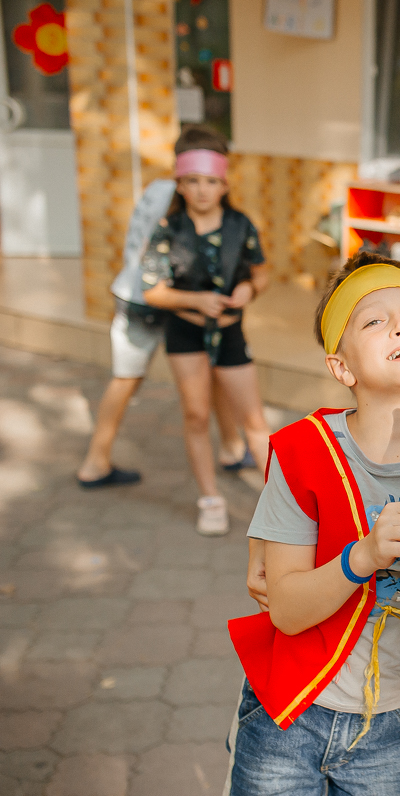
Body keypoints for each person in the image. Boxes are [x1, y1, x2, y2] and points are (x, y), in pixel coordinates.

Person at [225, 251, 400, 794]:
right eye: (374, 321)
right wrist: (363, 556)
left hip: (392, 722)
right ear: (342, 368)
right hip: (289, 712)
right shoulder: (304, 452)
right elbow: (286, 611)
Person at [77, 177, 256, 488]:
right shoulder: (185, 198)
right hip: (151, 299)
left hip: (140, 290)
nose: (205, 186)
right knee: (127, 378)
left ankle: (232, 446)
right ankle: (96, 461)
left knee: (209, 369)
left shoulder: (161, 188)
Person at [141, 125, 271, 535]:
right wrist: (196, 301)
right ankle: (210, 499)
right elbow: (152, 291)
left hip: (230, 334)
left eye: (211, 181)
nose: (202, 190)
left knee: (254, 420)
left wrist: (249, 289)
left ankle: (283, 502)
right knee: (196, 415)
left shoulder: (240, 225)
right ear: (179, 184)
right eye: (193, 181)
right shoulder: (168, 228)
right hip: (185, 335)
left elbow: (261, 274)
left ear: (224, 184)